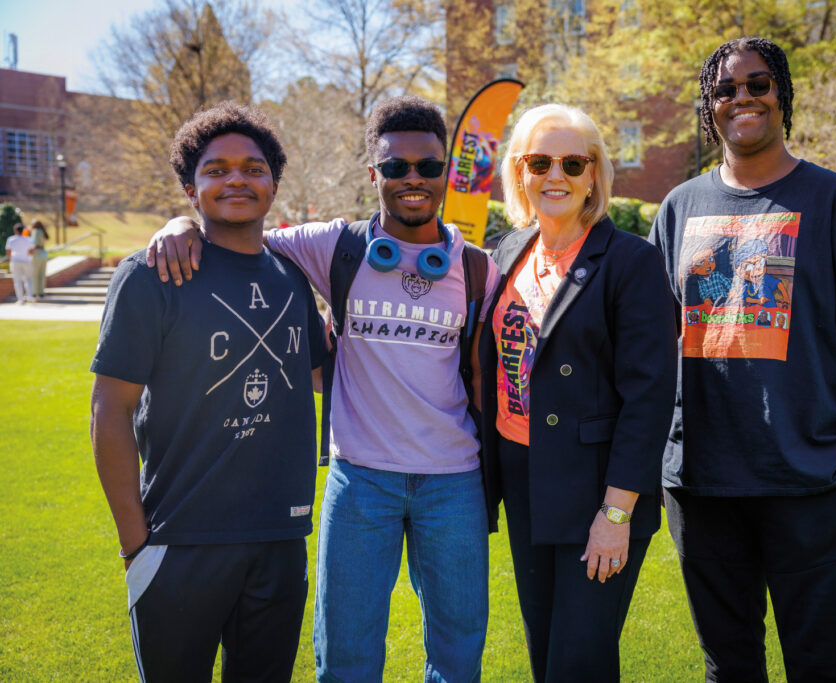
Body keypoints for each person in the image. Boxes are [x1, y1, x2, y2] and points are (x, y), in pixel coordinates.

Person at [147, 95, 501, 683]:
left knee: (459, 657)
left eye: (427, 167)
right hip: (359, 479)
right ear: (373, 175)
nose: (412, 178)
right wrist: (180, 221)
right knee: (346, 659)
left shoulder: (478, 269)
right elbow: (239, 226)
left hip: (455, 483)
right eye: (395, 167)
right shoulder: (333, 246)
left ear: (446, 173)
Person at [649, 37, 836, 682]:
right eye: (726, 89)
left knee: (820, 664)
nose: (742, 98)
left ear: (783, 96)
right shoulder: (679, 207)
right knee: (727, 666)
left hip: (811, 482)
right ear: (709, 107)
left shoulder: (834, 201)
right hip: (700, 482)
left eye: (758, 84)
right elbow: (650, 341)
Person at [90, 102, 328, 682]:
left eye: (252, 167)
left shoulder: (292, 277)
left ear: (273, 183)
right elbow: (110, 411)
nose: (236, 179)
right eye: (215, 170)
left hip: (279, 538)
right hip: (179, 541)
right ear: (190, 188)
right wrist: (134, 541)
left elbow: (323, 377)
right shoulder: (151, 274)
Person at [479, 104, 676, 682]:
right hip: (524, 478)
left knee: (579, 660)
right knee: (546, 653)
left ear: (594, 174)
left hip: (598, 488)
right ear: (520, 173)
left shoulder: (632, 262)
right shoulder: (506, 254)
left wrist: (617, 512)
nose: (555, 175)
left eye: (573, 162)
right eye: (540, 162)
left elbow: (650, 396)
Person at [4, 223, 35, 304]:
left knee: (17, 281)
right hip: (26, 260)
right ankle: (29, 296)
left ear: (15, 231)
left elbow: (8, 251)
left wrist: (11, 259)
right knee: (28, 279)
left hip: (15, 261)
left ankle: (20, 299)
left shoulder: (11, 239)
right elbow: (31, 251)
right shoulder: (28, 239)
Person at [30, 219, 49, 300]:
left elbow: (33, 242)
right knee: (42, 273)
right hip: (44, 253)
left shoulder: (35, 231)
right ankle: (41, 292)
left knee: (35, 273)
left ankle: (35, 292)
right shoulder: (42, 231)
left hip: (37, 253)